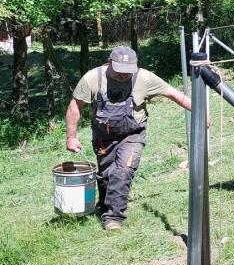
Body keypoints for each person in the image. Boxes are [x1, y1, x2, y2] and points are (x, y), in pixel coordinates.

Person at [66, 46, 200, 230]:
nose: (123, 75)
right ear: (110, 63)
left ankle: (114, 218)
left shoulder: (144, 78)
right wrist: (71, 137)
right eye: (119, 71)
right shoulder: (92, 78)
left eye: (128, 71)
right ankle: (104, 206)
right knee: (106, 175)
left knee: (123, 170)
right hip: (103, 136)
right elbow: (75, 106)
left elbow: (172, 93)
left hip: (133, 134)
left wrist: (200, 112)